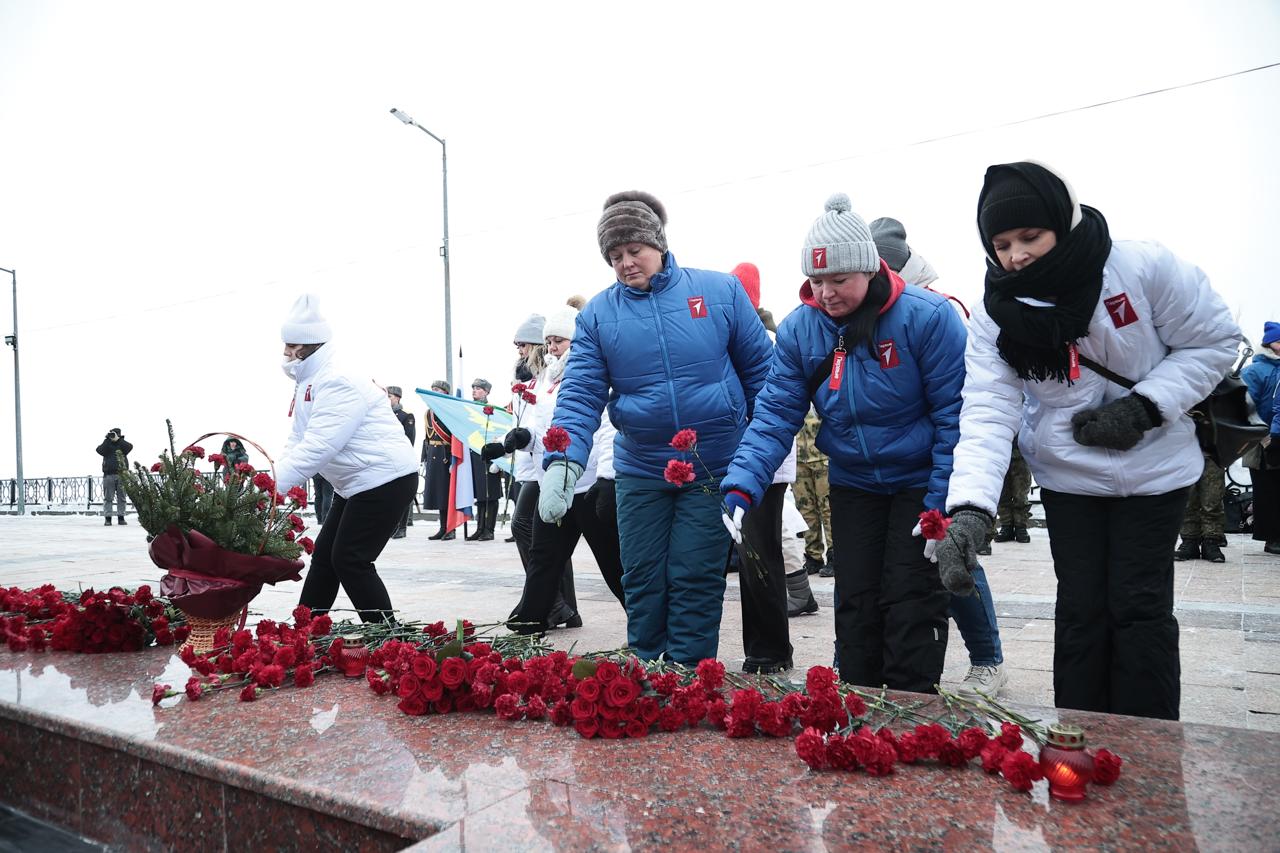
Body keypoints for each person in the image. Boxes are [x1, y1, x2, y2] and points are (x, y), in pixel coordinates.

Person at [938, 161, 1240, 721]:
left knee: (1138, 608)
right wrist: (972, 507)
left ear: (1063, 221)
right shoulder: (993, 314)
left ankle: (1148, 743)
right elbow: (988, 409)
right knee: (1080, 611)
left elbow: (1214, 342)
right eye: (1001, 245)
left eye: (1030, 236)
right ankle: (1078, 739)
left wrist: (1145, 408)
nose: (1016, 255)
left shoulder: (1140, 267)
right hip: (1068, 475)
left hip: (1154, 469)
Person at [721, 193, 966, 694]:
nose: (826, 293)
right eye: (816, 281)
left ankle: (911, 705)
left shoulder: (926, 317)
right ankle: (858, 699)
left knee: (911, 596)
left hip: (919, 480)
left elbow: (954, 416)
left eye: (839, 280)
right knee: (856, 598)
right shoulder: (802, 328)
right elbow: (775, 413)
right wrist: (742, 482)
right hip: (854, 481)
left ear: (870, 270)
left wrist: (942, 502)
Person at [539, 190, 772, 666]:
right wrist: (563, 459)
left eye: (634, 250)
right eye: (614, 256)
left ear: (659, 244)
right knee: (642, 575)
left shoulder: (720, 293)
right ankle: (646, 671)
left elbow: (763, 377)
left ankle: (687, 676)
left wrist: (757, 454)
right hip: (642, 466)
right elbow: (580, 393)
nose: (626, 263)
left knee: (695, 574)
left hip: (711, 464)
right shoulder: (599, 315)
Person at [870, 214, 1007, 695]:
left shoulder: (940, 309)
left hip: (943, 458)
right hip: (893, 466)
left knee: (954, 555)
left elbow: (964, 396)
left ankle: (988, 659)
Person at [273, 294, 419, 623]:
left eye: (290, 346)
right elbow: (297, 439)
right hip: (355, 482)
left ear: (308, 345)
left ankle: (386, 634)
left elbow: (318, 447)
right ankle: (307, 628)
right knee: (326, 557)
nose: (285, 352)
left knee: (350, 558)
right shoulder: (308, 381)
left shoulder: (336, 380)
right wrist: (271, 479)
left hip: (384, 478)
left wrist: (271, 487)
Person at [506, 305, 626, 632]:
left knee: (612, 560)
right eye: (549, 341)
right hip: (554, 483)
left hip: (586, 483)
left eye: (559, 340)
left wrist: (607, 476)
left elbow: (607, 429)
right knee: (544, 554)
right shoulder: (546, 378)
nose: (552, 347)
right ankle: (531, 616)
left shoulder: (594, 373)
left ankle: (646, 622)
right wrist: (525, 438)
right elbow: (545, 428)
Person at [729, 261, 815, 674]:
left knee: (759, 553)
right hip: (737, 462)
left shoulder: (766, 341)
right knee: (750, 553)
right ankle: (764, 646)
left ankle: (770, 650)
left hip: (764, 464)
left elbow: (774, 409)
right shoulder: (727, 338)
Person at [1242, 321, 1280, 556]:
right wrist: (1264, 434)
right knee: (1266, 490)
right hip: (1261, 438)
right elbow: (1245, 405)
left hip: (1278, 435)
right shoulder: (1254, 370)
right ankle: (1271, 537)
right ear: (1269, 344)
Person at [794, 407, 834, 577]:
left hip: (823, 456)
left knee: (828, 509)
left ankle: (834, 555)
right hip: (798, 456)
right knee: (805, 509)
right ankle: (813, 556)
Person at [1173, 455, 1227, 562]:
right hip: (1185, 451)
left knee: (1213, 498)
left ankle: (1211, 541)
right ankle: (1189, 541)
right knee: (1187, 497)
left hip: (1213, 451)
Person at [467, 378, 501, 541]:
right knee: (480, 495)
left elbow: (499, 433)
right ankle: (480, 528)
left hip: (490, 456)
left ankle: (489, 530)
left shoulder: (494, 411)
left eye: (478, 388)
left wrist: (498, 461)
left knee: (491, 495)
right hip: (475, 455)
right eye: (473, 388)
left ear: (486, 392)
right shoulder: (469, 409)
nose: (474, 390)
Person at [421, 379, 456, 540]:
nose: (434, 391)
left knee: (447, 494)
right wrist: (424, 457)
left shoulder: (449, 410)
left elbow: (455, 438)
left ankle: (450, 529)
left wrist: (453, 458)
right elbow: (426, 437)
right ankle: (443, 528)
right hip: (433, 454)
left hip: (445, 455)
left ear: (445, 393)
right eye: (433, 388)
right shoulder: (429, 413)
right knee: (438, 494)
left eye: (438, 389)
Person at [386, 386, 416, 539]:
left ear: (397, 398)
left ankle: (402, 527)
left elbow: (409, 440)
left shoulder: (405, 416)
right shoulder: (383, 415)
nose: (387, 399)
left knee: (402, 496)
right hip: (386, 461)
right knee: (390, 496)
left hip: (400, 460)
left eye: (389, 396)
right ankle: (392, 526)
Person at [96, 427, 133, 526]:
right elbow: (99, 450)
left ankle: (121, 517)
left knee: (122, 497)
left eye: (114, 434)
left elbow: (129, 447)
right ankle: (108, 519)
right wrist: (107, 440)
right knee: (108, 498)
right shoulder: (107, 443)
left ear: (119, 435)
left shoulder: (122, 444)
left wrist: (119, 440)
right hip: (109, 474)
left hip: (122, 474)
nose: (113, 436)